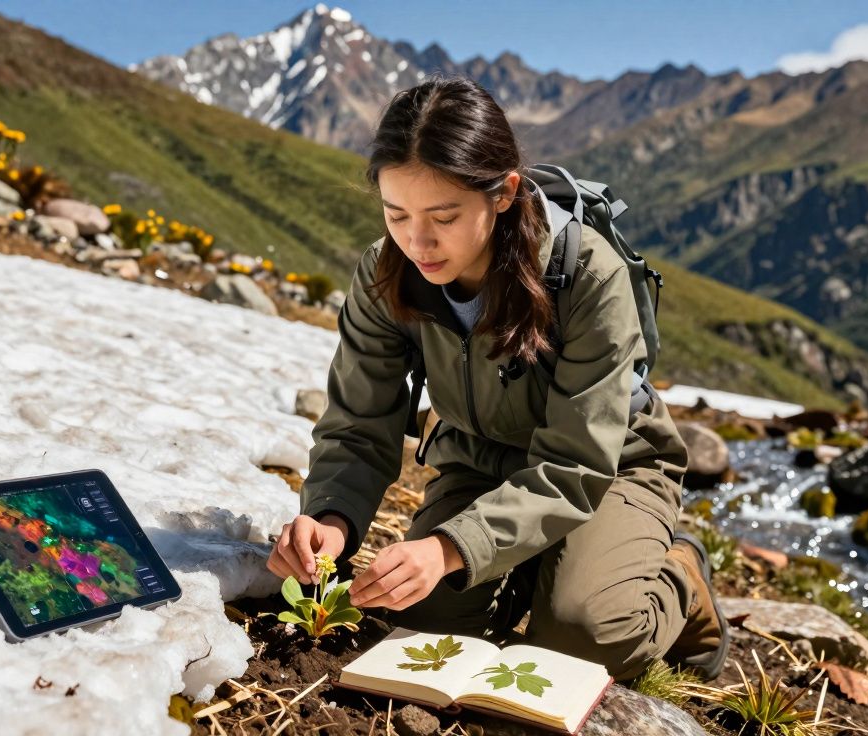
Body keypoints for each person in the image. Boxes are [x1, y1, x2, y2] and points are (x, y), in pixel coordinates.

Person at [266, 75, 730, 681]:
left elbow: (576, 464)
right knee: (421, 619)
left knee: (582, 635)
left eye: (444, 215)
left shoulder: (587, 273)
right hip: (482, 463)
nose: (417, 241)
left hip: (611, 467)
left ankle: (681, 577)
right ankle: (535, 569)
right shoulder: (385, 276)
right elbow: (357, 424)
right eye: (395, 213)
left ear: (505, 193)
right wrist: (330, 520)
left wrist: (450, 547)